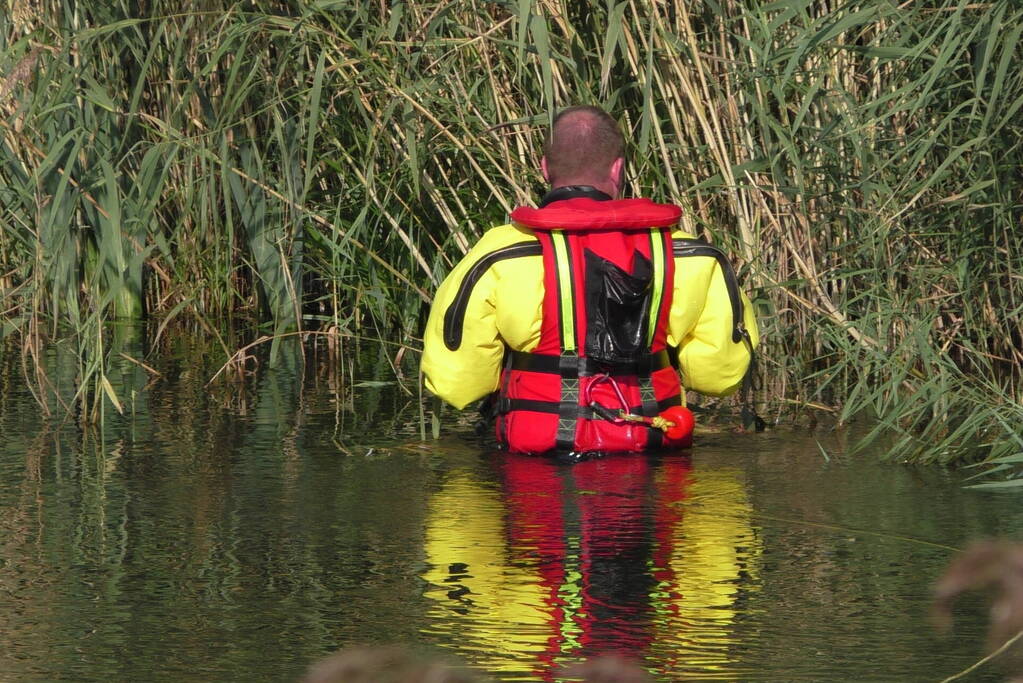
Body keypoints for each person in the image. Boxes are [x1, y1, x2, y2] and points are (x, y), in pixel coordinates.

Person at [421, 105, 758, 454]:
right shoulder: (691, 254)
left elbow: (457, 381)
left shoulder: (500, 253)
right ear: (618, 168)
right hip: (657, 446)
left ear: (545, 167)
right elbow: (717, 376)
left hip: (538, 459)